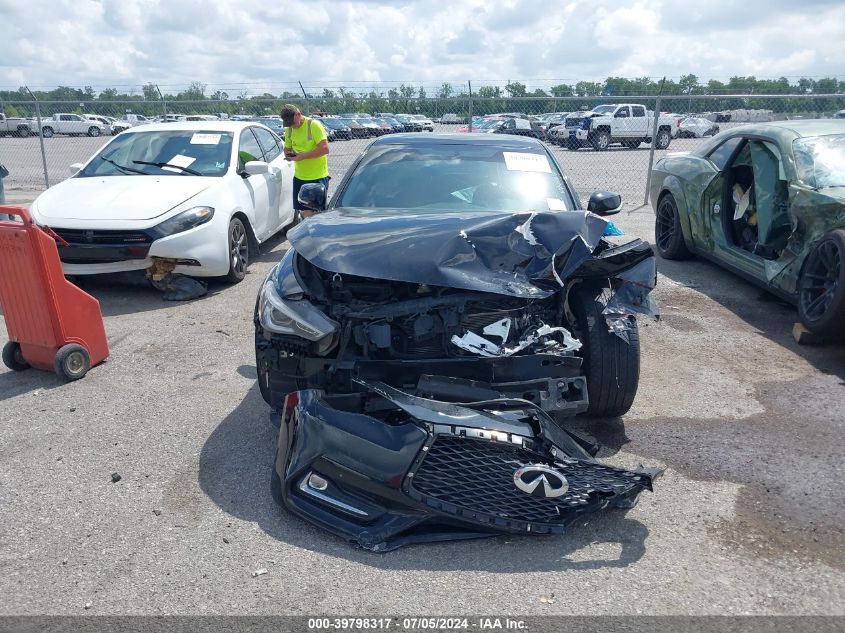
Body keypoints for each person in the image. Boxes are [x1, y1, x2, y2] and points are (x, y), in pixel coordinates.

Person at [281, 104, 329, 219]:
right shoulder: (289, 130)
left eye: (292, 123)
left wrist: (303, 156)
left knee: (315, 213)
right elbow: (287, 148)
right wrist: (289, 155)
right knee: (303, 212)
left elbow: (325, 149)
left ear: (298, 114)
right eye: (288, 125)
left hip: (317, 177)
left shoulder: (313, 126)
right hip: (299, 177)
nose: (291, 126)